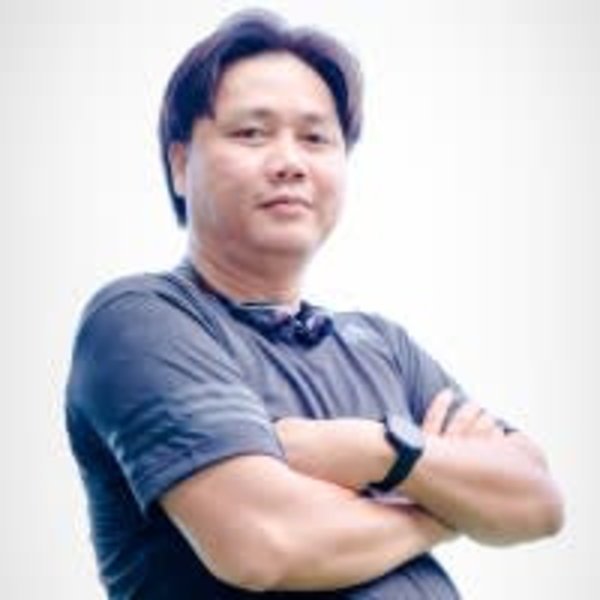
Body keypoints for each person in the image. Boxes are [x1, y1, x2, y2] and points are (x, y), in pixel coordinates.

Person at [65, 8, 564, 599]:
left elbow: (537, 500)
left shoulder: (381, 345)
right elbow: (265, 543)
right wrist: (447, 507)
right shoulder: (143, 321)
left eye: (315, 138)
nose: (289, 162)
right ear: (180, 164)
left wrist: (376, 451)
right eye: (252, 133)